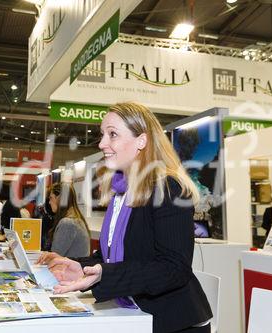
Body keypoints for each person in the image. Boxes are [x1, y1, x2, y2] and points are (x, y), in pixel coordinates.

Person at [38, 102, 212, 333]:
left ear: (141, 140)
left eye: (113, 134)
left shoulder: (168, 188)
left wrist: (104, 274)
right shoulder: (121, 191)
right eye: (102, 135)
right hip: (135, 315)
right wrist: (80, 267)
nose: (102, 144)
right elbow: (112, 258)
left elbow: (174, 268)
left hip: (172, 323)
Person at [45, 183, 90, 257]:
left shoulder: (67, 223)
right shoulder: (76, 219)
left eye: (51, 198)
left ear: (60, 198)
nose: (49, 202)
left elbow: (54, 256)